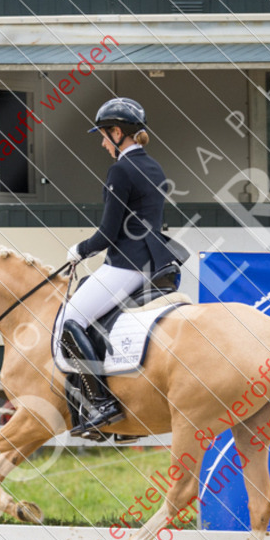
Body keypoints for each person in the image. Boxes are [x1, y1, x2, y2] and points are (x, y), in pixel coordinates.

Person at [59, 97, 184, 437]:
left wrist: (78, 250)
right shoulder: (154, 166)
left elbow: (108, 234)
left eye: (103, 135)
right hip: (153, 265)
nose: (102, 143)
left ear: (117, 133)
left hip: (126, 265)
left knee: (71, 319)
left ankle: (100, 404)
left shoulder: (121, 170)